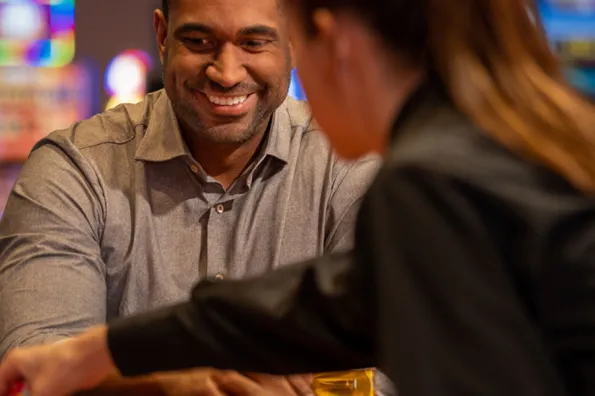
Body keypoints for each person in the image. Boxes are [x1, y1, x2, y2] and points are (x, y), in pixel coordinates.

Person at [3, 0, 595, 395]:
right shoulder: (497, 146)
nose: (229, 73)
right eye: (202, 41)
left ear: (321, 39)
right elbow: (328, 303)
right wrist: (112, 351)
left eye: (262, 44)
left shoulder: (430, 179)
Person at [0, 0, 385, 395]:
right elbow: (33, 375)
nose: (226, 73)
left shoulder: (349, 167)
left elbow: (403, 367)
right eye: (200, 41)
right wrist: (176, 385)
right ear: (163, 36)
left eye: (254, 43)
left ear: (294, 43)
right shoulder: (76, 169)